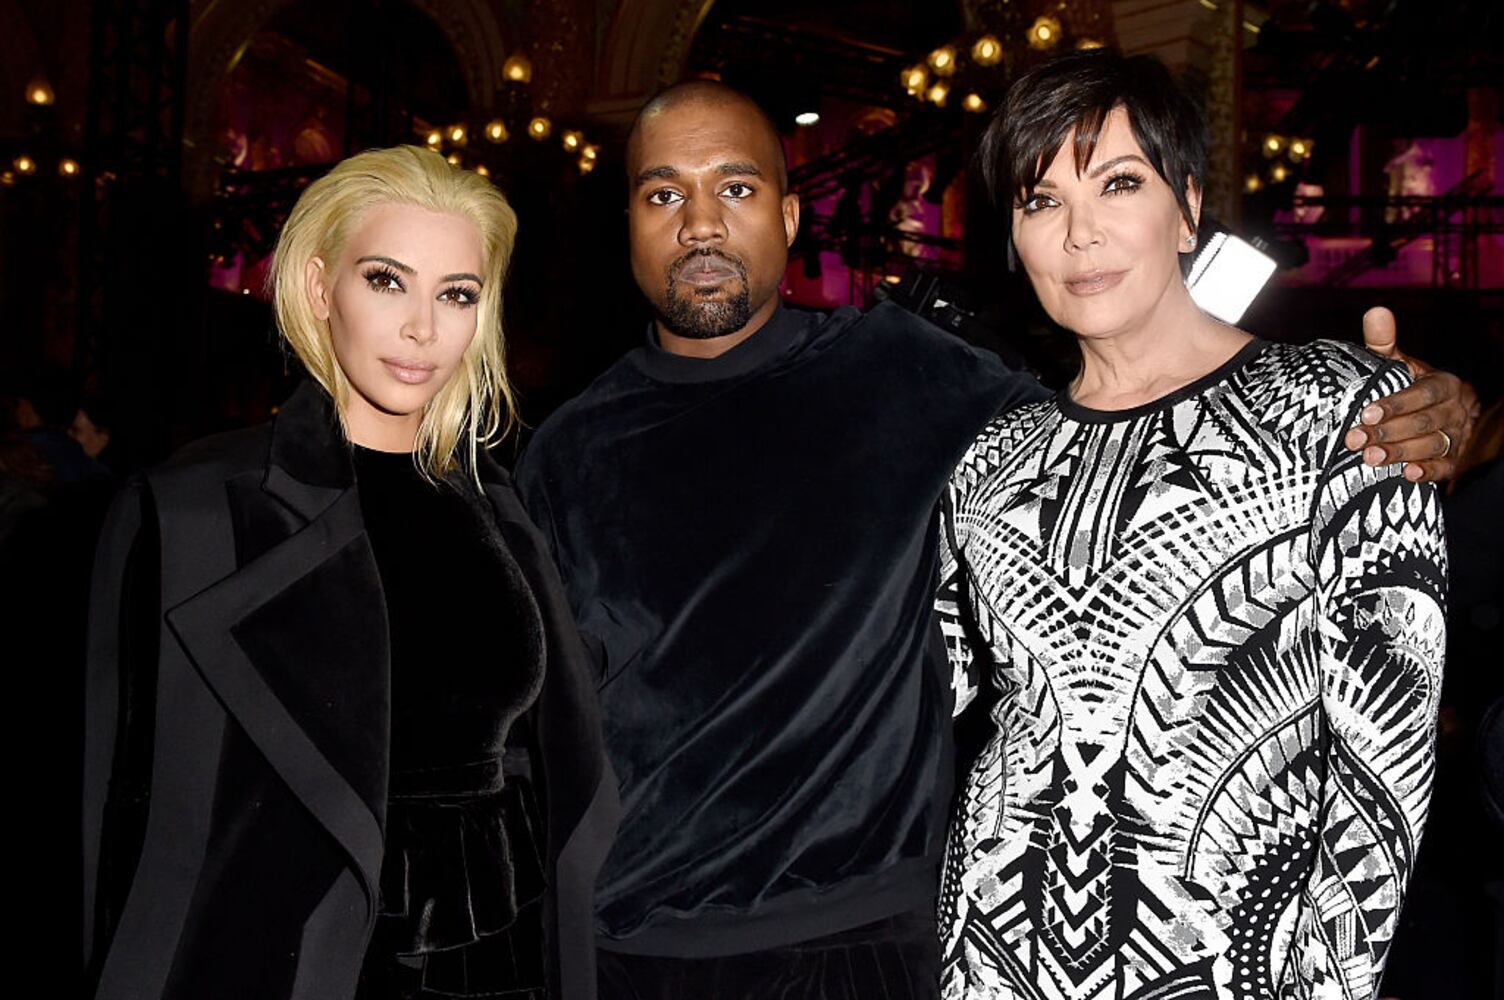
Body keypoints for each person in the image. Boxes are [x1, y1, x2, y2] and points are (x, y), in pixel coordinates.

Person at [512, 81, 1468, 1000]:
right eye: (663, 194)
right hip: (669, 943)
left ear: (791, 216)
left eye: (736, 187)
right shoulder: (561, 454)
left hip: (872, 941)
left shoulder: (910, 374)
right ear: (626, 220)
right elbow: (534, 743)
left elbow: (1135, 412)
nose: (700, 224)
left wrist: (1426, 409)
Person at [936, 50, 1446, 1000]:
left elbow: (1384, 778)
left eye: (1119, 184)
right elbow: (925, 701)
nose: (1080, 233)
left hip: (1235, 972)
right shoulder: (990, 455)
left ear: (1189, 208)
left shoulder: (1338, 409)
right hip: (991, 964)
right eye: (1041, 201)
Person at [82, 145, 615, 1000]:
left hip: (498, 955)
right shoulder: (195, 515)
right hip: (294, 965)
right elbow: (129, 823)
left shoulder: (501, 511)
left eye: (456, 294)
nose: (422, 329)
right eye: (387, 281)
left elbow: (546, 770)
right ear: (319, 286)